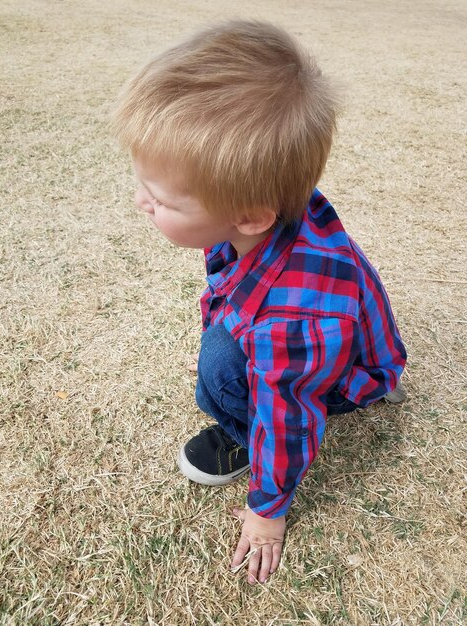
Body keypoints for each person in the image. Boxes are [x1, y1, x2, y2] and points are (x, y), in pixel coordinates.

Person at [111, 19, 407, 586]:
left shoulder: (294, 318)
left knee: (219, 369)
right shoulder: (260, 212)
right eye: (141, 183)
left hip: (341, 376)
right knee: (226, 343)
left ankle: (239, 435)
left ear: (249, 215)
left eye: (160, 197)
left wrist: (268, 514)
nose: (138, 203)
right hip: (312, 338)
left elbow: (290, 413)